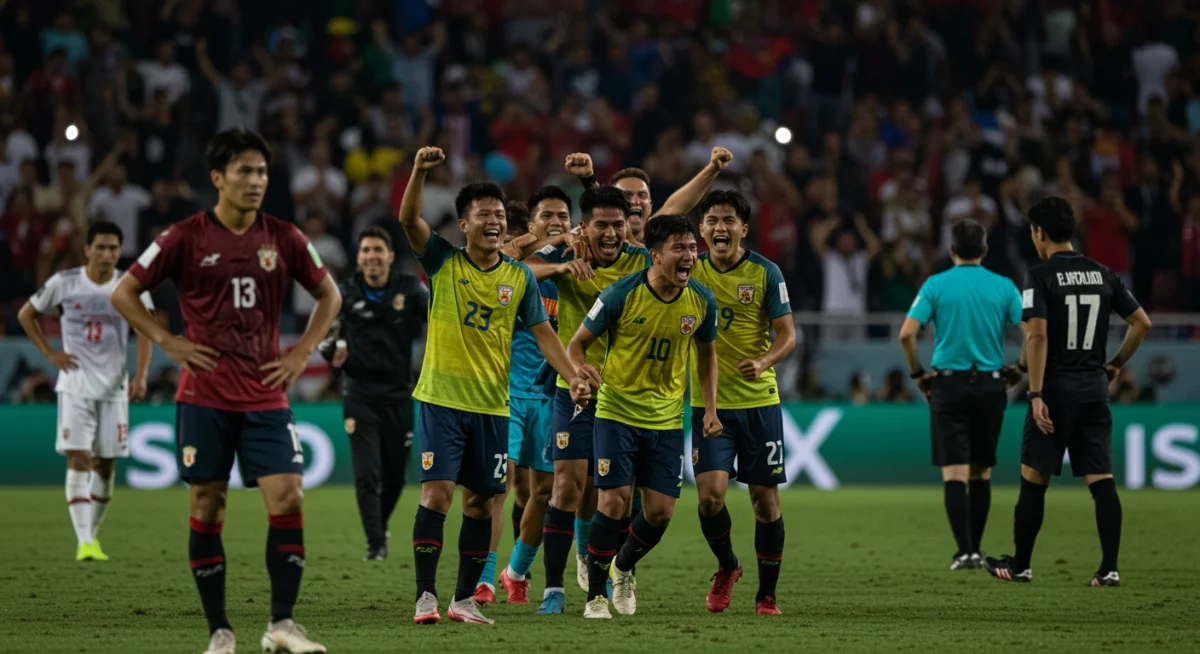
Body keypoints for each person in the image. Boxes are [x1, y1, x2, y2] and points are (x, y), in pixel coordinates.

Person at [112, 129, 341, 654]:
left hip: (265, 394)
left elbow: (328, 294)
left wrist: (302, 353)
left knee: (289, 495)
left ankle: (282, 624)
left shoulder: (284, 237)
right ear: (218, 178)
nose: (256, 181)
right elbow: (125, 291)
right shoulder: (183, 237)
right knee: (207, 504)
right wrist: (167, 341)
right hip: (205, 395)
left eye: (261, 172)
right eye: (244, 171)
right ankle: (220, 630)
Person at [398, 146, 594, 626]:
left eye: (499, 215)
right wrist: (419, 171)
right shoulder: (443, 262)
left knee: (482, 500)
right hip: (442, 401)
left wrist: (574, 376)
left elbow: (545, 336)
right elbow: (408, 220)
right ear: (464, 224)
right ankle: (426, 595)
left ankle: (464, 599)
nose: (493, 221)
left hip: (492, 406)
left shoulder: (518, 277)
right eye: (484, 214)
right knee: (437, 495)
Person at [985, 197, 1152, 586]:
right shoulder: (1103, 273)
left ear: (1040, 233)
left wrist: (1035, 394)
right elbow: (1142, 323)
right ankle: (1109, 569)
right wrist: (1114, 365)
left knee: (1034, 479)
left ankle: (1021, 565)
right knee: (1101, 480)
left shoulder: (1039, 276)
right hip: (1094, 389)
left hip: (1055, 390)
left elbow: (1037, 336)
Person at [568, 214, 722, 619]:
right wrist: (579, 374)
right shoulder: (620, 294)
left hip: (666, 420)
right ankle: (596, 596)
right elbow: (577, 344)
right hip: (616, 412)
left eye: (692, 248)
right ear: (654, 256)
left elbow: (707, 356)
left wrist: (710, 409)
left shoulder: (702, 301)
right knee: (614, 501)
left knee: (659, 512)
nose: (689, 256)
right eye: (679, 248)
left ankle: (621, 568)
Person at [521, 185, 647, 614]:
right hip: (574, 388)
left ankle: (614, 575)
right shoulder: (565, 253)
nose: (610, 234)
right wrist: (560, 265)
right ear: (584, 227)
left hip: (625, 394)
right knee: (566, 486)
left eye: (618, 225)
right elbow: (518, 270)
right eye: (601, 225)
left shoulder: (641, 260)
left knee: (618, 494)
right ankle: (553, 590)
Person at [17, 221, 153, 562]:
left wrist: (141, 375)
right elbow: (26, 314)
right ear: (87, 249)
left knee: (105, 466)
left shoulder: (130, 286)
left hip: (113, 386)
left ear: (119, 252)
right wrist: (49, 353)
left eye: (113, 248)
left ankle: (91, 534)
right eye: (101, 247)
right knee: (79, 458)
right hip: (75, 384)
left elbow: (146, 330)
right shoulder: (64, 283)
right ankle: (84, 541)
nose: (107, 254)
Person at [690, 190, 796, 616]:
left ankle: (767, 595)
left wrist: (765, 360)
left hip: (758, 402)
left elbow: (788, 334)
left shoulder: (766, 272)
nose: (721, 227)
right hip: (708, 404)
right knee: (709, 498)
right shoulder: (689, 271)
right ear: (701, 229)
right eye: (713, 220)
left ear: (743, 229)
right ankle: (728, 565)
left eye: (729, 220)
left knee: (764, 501)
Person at [898, 219, 1023, 571]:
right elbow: (1032, 330)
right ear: (985, 250)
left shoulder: (935, 284)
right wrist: (1020, 368)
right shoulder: (1004, 286)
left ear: (951, 250)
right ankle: (977, 549)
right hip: (991, 384)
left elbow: (907, 334)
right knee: (981, 471)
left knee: (954, 472)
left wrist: (918, 374)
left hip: (948, 385)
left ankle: (965, 552)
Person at [481, 189, 570, 606]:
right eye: (546, 216)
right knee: (500, 484)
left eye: (563, 216)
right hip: (509, 392)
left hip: (552, 397)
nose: (556, 222)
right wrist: (551, 253)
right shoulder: (512, 271)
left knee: (545, 492)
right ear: (531, 225)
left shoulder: (577, 271)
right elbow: (507, 265)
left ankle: (515, 571)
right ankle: (483, 577)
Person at [320, 226, 427, 561]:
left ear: (391, 256)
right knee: (368, 474)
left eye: (378, 249)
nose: (371, 256)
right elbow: (324, 337)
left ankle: (378, 526)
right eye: (366, 250)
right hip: (359, 395)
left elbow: (439, 321)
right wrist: (332, 349)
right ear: (359, 257)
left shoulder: (411, 288)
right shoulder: (344, 292)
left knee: (395, 476)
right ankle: (375, 543)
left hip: (399, 394)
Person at [566, 148, 733, 246]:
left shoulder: (652, 239)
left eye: (642, 195)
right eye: (627, 195)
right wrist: (588, 179)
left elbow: (676, 207)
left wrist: (713, 168)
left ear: (651, 205)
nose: (635, 201)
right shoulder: (590, 237)